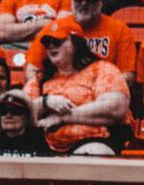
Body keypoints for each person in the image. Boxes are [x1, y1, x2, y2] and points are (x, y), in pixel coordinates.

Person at [28, 18, 131, 155]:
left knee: (93, 151)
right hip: (45, 146)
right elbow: (19, 112)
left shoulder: (102, 69)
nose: (51, 46)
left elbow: (115, 108)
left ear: (76, 43)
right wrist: (44, 102)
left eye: (57, 41)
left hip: (93, 141)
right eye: (47, 43)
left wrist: (62, 118)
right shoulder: (40, 78)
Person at [24, 0, 136, 86]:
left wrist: (99, 87)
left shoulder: (119, 29)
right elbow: (31, 69)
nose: (83, 3)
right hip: (61, 89)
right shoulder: (54, 28)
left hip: (102, 89)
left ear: (101, 1)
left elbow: (128, 75)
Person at [0, 88, 51, 155]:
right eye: (3, 110)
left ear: (27, 116)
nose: (8, 115)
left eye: (15, 110)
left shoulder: (39, 146)